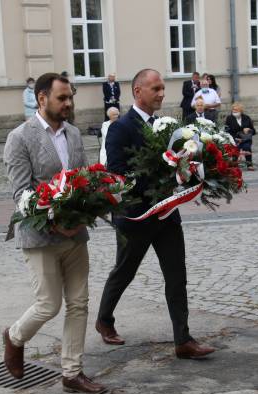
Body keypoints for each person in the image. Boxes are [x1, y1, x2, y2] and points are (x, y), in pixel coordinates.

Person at [96, 68, 215, 360]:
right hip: (135, 216)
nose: (162, 93)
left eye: (163, 88)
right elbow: (116, 173)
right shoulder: (120, 128)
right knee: (124, 271)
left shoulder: (168, 126)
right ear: (138, 91)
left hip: (166, 214)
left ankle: (183, 339)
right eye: (156, 88)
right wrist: (159, 176)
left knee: (177, 274)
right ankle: (104, 320)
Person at [2, 72, 107, 394]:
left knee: (79, 303)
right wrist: (52, 220)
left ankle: (72, 373)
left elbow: (87, 179)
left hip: (75, 235)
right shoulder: (20, 137)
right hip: (41, 237)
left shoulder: (74, 134)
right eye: (62, 98)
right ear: (42, 98)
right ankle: (14, 337)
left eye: (70, 97)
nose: (68, 103)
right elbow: (21, 193)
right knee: (49, 305)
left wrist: (86, 211)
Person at [225, 102, 256, 171]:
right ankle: (234, 163)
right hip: (234, 139)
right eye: (233, 110)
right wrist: (235, 138)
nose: (234, 111)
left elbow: (254, 131)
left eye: (236, 110)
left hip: (246, 139)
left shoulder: (246, 118)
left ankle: (249, 164)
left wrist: (249, 129)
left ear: (241, 111)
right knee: (235, 147)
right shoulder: (229, 118)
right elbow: (227, 131)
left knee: (246, 147)